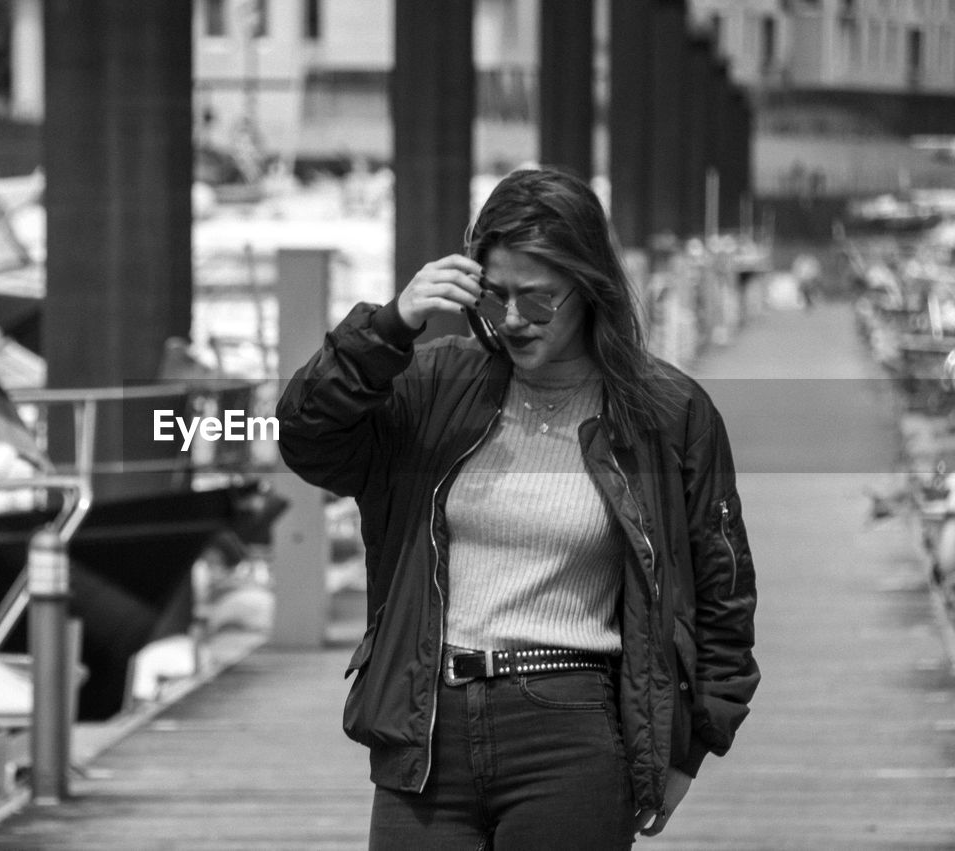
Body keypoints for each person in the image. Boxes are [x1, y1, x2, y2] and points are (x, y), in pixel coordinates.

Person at [276, 168, 759, 848]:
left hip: (571, 730)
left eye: (536, 301)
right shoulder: (436, 384)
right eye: (495, 295)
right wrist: (387, 328)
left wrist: (691, 750)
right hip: (425, 730)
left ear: (588, 288)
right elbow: (306, 439)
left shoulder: (668, 414)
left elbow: (724, 593)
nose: (509, 320)